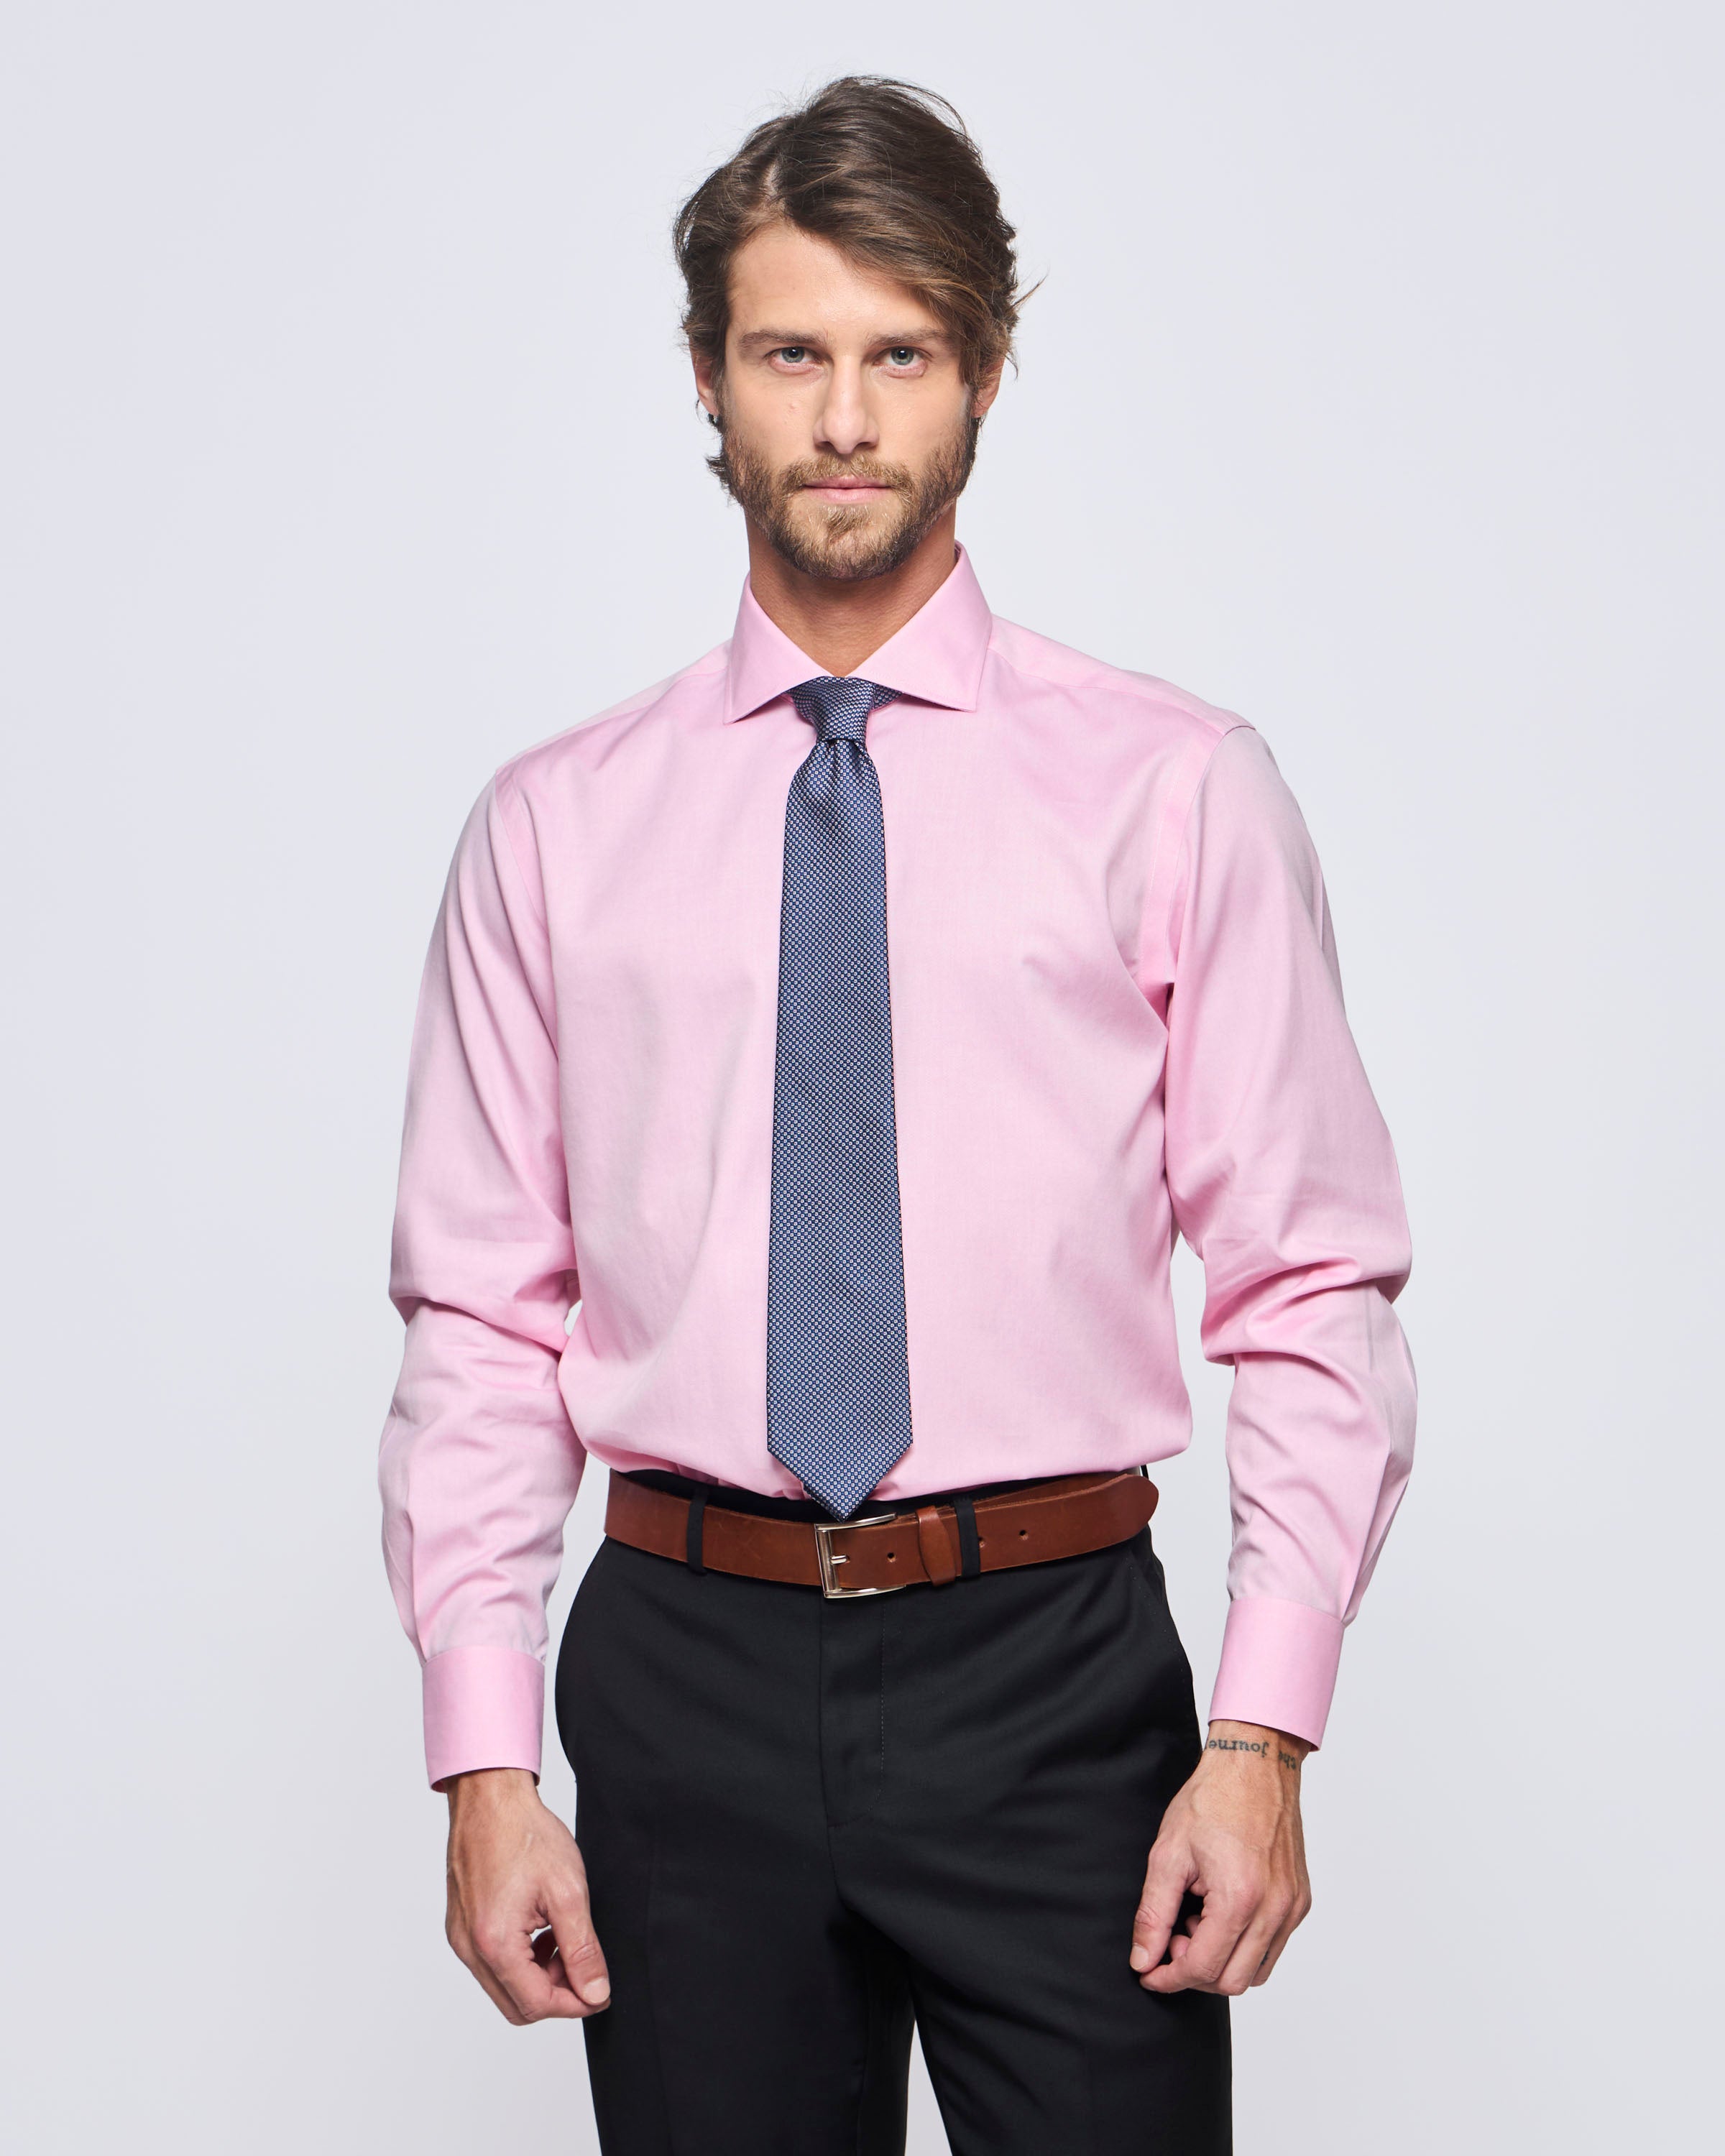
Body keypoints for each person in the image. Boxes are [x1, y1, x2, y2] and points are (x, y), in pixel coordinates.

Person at [378, 74, 1416, 2155]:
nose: (846, 418)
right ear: (707, 375)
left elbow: (1311, 1280)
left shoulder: (1173, 790)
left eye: (901, 353)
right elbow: (481, 1318)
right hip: (681, 1673)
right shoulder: (554, 830)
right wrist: (484, 1758)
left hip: (1052, 1669)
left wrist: (1264, 1732)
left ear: (986, 370)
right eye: (791, 353)